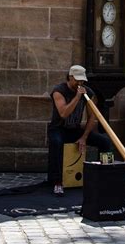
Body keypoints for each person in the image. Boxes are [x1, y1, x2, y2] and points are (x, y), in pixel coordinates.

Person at [47, 64, 112, 196]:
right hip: (58, 128)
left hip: (74, 129)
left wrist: (84, 137)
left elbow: (92, 117)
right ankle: (57, 182)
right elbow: (64, 113)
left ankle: (105, 175)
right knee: (56, 143)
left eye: (82, 80)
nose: (80, 83)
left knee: (104, 142)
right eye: (77, 80)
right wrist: (77, 97)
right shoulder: (59, 91)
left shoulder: (88, 92)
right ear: (70, 77)